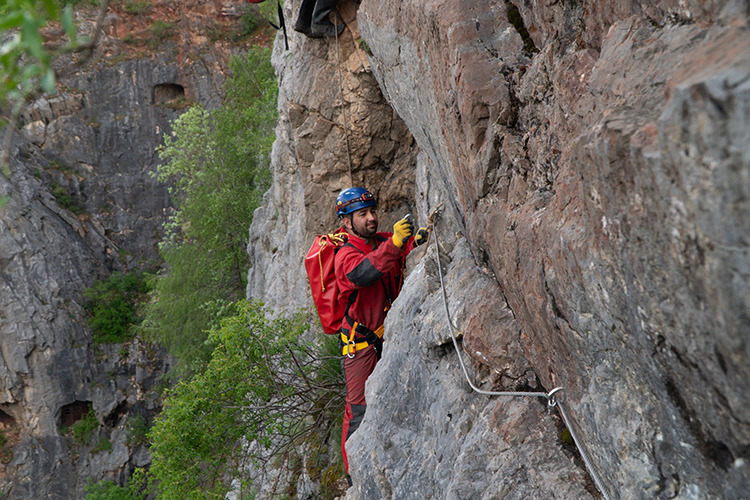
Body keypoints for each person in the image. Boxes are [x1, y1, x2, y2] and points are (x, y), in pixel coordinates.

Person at [333, 187, 428, 483]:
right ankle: (353, 478)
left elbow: (398, 249)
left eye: (373, 212)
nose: (372, 218)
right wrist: (397, 243)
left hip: (388, 338)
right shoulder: (345, 254)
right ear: (346, 221)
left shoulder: (381, 241)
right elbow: (362, 274)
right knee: (359, 409)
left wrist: (414, 241)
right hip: (359, 346)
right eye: (363, 214)